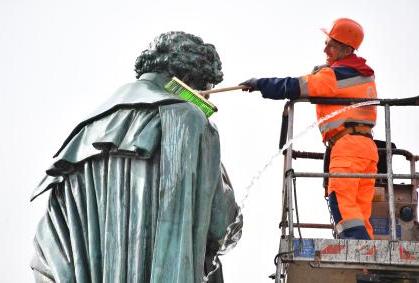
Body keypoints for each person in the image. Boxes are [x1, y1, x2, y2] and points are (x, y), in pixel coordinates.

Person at [30, 31, 241, 282]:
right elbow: (220, 226)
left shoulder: (79, 140)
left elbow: (46, 253)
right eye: (206, 92)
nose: (204, 99)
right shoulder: (188, 120)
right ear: (185, 81)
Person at [240, 18, 378, 240]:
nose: (325, 49)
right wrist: (326, 70)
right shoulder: (363, 74)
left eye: (331, 45)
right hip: (367, 149)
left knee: (342, 204)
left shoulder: (335, 76)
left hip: (348, 147)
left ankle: (356, 255)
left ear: (346, 49)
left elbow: (295, 86)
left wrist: (260, 84)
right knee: (360, 211)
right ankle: (367, 264)